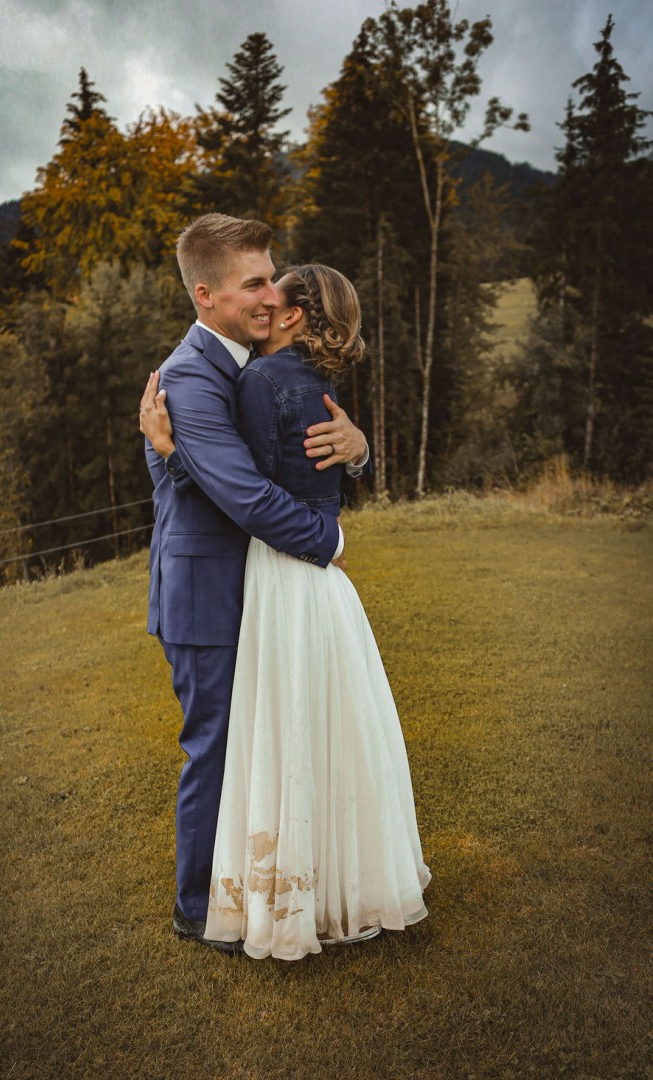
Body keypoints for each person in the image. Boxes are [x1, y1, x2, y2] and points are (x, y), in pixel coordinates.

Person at [147, 263, 431, 961]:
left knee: (278, 735)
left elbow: (241, 486)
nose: (263, 298)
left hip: (283, 570)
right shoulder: (301, 380)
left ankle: (254, 900)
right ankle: (328, 883)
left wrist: (171, 451)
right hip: (315, 584)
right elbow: (277, 478)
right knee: (316, 732)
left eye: (271, 287)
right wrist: (354, 466)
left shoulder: (260, 380)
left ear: (295, 314)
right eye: (254, 283)